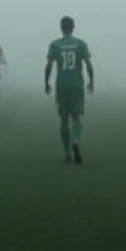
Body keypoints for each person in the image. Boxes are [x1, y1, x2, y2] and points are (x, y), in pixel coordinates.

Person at [44, 16, 94, 164]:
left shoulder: (55, 45)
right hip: (77, 85)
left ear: (61, 28)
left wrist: (46, 82)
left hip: (62, 85)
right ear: (73, 28)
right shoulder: (81, 44)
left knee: (64, 119)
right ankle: (76, 141)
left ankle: (67, 152)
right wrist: (92, 81)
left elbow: (49, 65)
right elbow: (88, 64)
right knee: (77, 117)